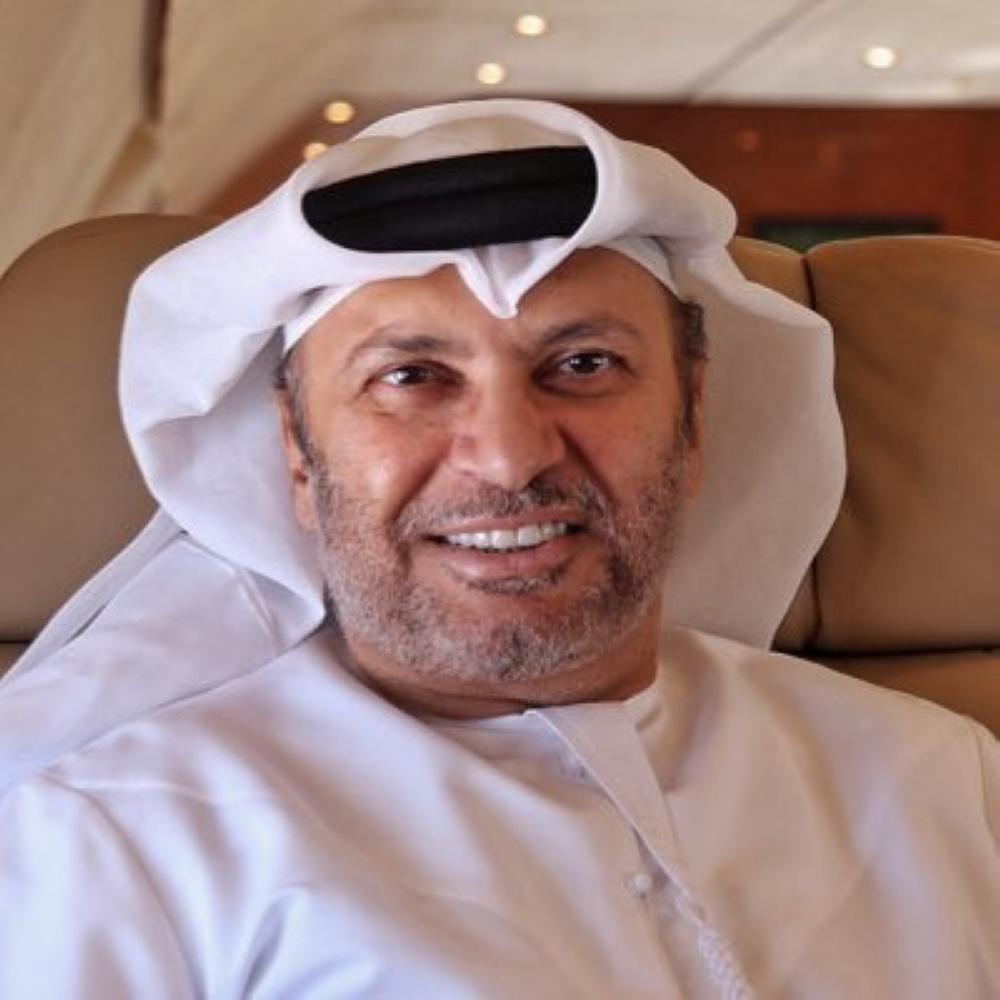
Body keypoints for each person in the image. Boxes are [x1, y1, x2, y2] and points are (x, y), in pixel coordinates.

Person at [0, 99, 996, 998]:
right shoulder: (127, 839)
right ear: (298, 453)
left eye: (584, 364)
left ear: (692, 419)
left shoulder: (942, 778)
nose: (512, 455)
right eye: (410, 377)